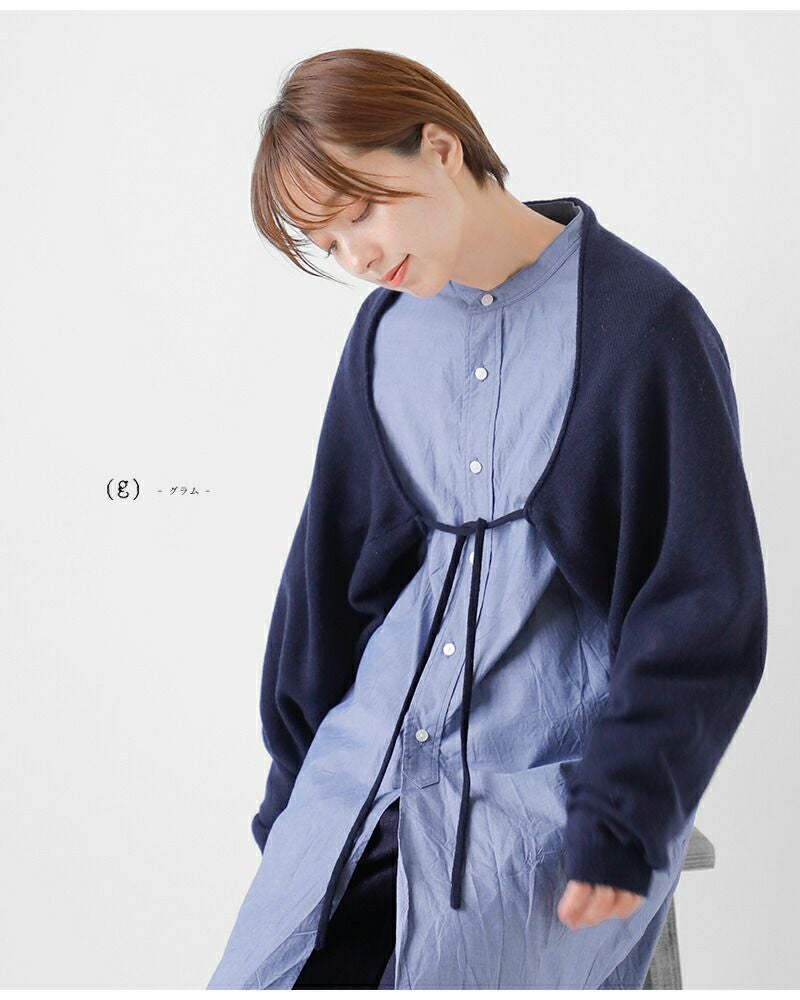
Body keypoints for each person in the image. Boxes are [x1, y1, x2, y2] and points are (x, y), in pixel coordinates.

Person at [207, 47, 767, 989]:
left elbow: (699, 608)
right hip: (355, 783)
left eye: (360, 211)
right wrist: (294, 810)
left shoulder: (641, 325)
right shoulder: (384, 335)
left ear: (441, 147)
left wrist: (626, 812)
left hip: (542, 802)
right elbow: (325, 592)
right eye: (328, 245)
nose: (358, 259)